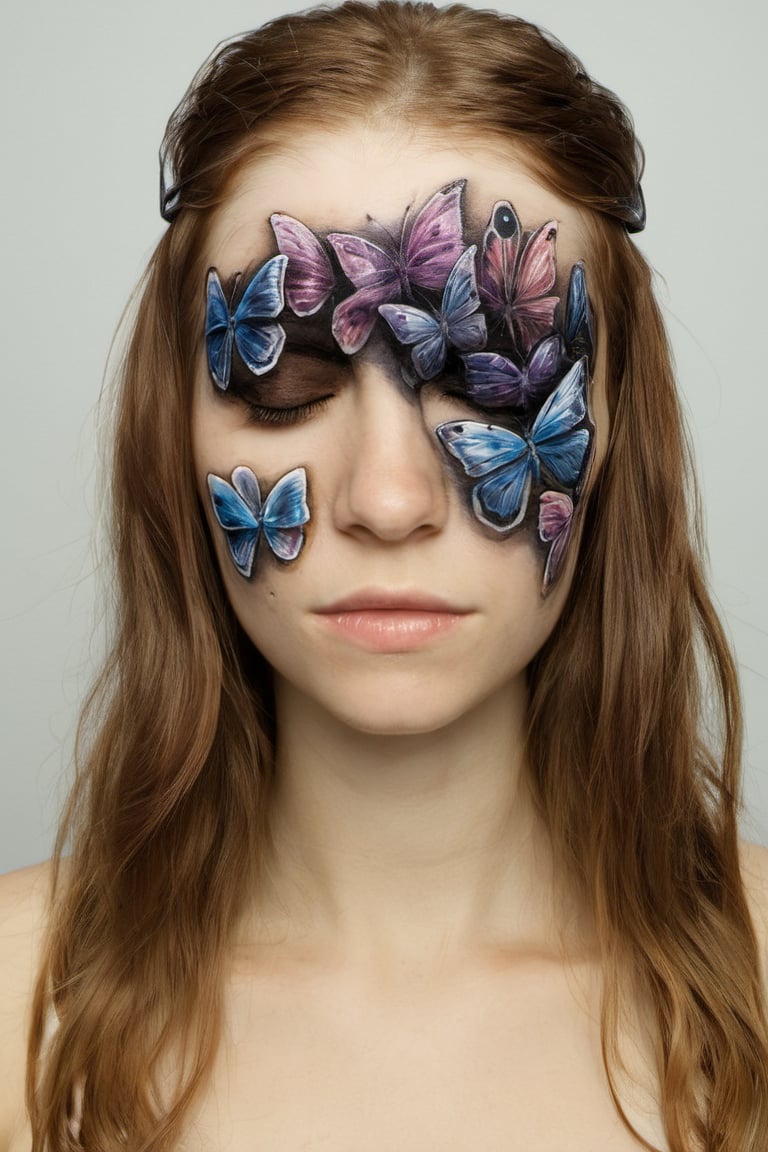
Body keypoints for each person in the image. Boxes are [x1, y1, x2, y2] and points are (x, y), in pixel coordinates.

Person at [1, 2, 767, 1149]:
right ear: (176, 436)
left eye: (493, 384)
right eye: (288, 390)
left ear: (612, 431)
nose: (390, 500)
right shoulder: (15, 1006)